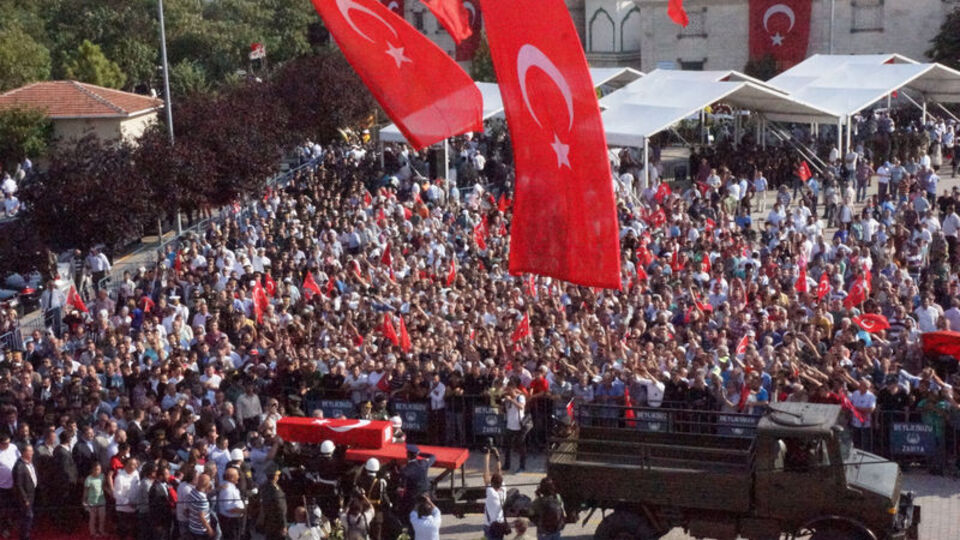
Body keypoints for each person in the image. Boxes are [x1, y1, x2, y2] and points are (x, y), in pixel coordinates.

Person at [482, 448, 507, 540]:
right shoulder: (503, 489)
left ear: (492, 484)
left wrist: (487, 457)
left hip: (490, 525)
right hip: (500, 524)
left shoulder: (492, 493)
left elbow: (485, 475)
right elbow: (499, 472)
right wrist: (497, 457)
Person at [12, 445, 36, 540]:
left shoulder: (29, 463)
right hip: (25, 497)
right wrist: (25, 499)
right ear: (24, 453)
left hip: (31, 494)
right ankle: (24, 537)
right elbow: (19, 485)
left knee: (28, 517)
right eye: (30, 451)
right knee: (27, 517)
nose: (32, 453)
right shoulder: (19, 467)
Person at [502, 380, 527, 471]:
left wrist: (512, 400)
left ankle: (522, 466)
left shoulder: (520, 397)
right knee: (507, 446)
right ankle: (507, 464)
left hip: (519, 425)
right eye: (507, 390)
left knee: (521, 447)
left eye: (510, 390)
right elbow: (504, 411)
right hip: (510, 425)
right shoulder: (507, 399)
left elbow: (521, 407)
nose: (508, 392)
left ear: (514, 389)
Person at [257, 465, 286, 540]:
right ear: (275, 476)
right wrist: (284, 525)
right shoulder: (275, 490)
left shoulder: (264, 486)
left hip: (267, 521)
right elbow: (281, 509)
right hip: (277, 522)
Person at [0, 432, 20, 537]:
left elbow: (20, 460)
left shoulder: (13, 447)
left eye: (8, 442)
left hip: (15, 484)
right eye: (5, 443)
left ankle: (13, 523)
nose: (8, 445)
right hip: (2, 487)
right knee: (3, 509)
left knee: (15, 506)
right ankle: (4, 529)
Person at [217, 466, 246, 540]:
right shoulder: (228, 490)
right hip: (231, 522)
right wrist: (244, 511)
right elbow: (229, 508)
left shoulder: (230, 486)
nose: (239, 477)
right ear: (232, 478)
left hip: (233, 521)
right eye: (237, 475)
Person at [188, 473, 216, 540]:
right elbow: (202, 517)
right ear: (207, 485)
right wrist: (209, 529)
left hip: (192, 527)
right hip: (200, 531)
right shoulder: (202, 499)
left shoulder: (192, 492)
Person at [84, 461, 107, 537]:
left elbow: (103, 487)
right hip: (92, 502)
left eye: (99, 469)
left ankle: (101, 530)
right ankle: (93, 532)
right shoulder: (89, 479)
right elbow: (86, 491)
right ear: (92, 470)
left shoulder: (102, 476)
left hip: (101, 501)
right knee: (93, 519)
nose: (97, 471)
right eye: (96, 469)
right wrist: (84, 501)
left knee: (102, 518)